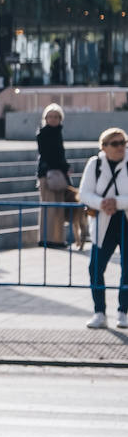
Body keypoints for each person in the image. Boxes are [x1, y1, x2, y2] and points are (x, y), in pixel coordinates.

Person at [78, 127, 128, 329]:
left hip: (125, 220)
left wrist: (117, 202)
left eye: (123, 143)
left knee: (127, 269)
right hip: (103, 221)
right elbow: (84, 193)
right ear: (104, 147)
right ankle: (99, 311)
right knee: (96, 267)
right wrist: (102, 204)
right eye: (115, 144)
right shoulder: (95, 164)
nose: (120, 147)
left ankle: (122, 311)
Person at [37, 103, 72, 249]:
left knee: (59, 210)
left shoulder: (58, 133)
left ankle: (58, 239)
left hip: (58, 174)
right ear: (45, 118)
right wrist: (65, 167)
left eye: (56, 116)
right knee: (49, 209)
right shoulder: (43, 133)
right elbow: (48, 155)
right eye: (50, 117)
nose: (53, 119)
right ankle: (47, 239)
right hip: (48, 174)